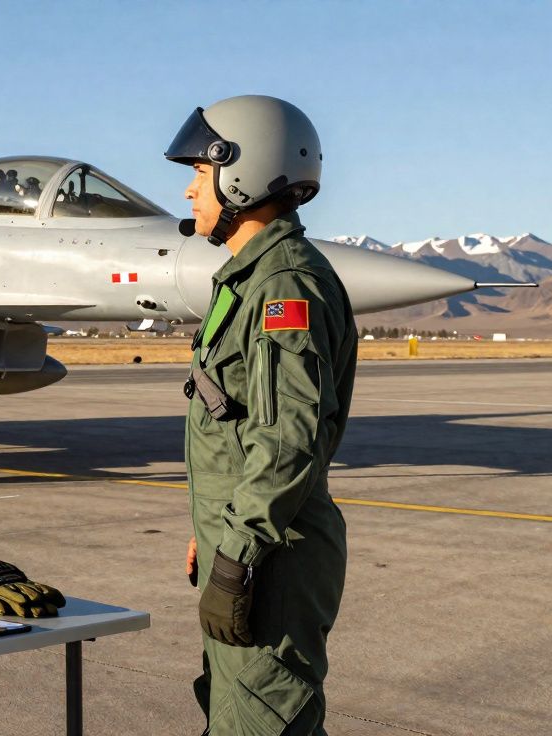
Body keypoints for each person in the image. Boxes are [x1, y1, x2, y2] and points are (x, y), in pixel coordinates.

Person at [164, 95, 357, 735]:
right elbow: (242, 427)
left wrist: (237, 553)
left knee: (262, 723)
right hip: (253, 545)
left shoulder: (283, 286)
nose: (191, 190)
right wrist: (214, 529)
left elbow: (287, 441)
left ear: (241, 171)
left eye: (199, 172)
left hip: (271, 560)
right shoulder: (253, 278)